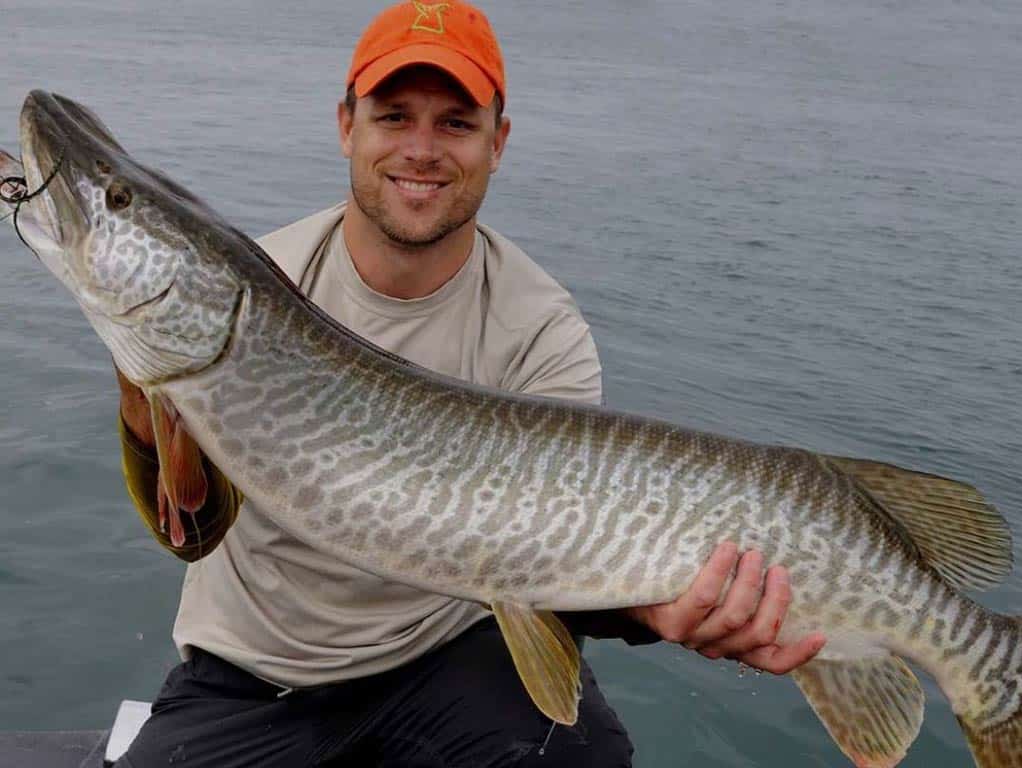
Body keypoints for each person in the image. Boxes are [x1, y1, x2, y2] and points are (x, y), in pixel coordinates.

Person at [115, 2, 825, 765]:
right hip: (256, 679)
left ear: (499, 142)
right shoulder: (258, 285)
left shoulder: (541, 331)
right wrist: (141, 392)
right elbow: (187, 531)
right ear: (346, 124)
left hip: (443, 659)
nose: (421, 149)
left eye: (455, 123)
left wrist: (654, 610)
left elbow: (553, 553)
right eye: (394, 116)